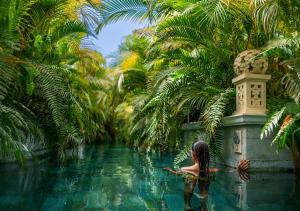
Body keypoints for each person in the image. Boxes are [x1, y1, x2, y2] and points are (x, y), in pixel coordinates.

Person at [163, 140, 249, 210]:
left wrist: (170, 170)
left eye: (191, 150)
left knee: (189, 181)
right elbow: (229, 172)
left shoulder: (185, 169)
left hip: (191, 176)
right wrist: (238, 169)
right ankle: (203, 207)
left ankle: (187, 204)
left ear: (194, 154)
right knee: (204, 187)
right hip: (205, 178)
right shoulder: (214, 170)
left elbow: (178, 174)